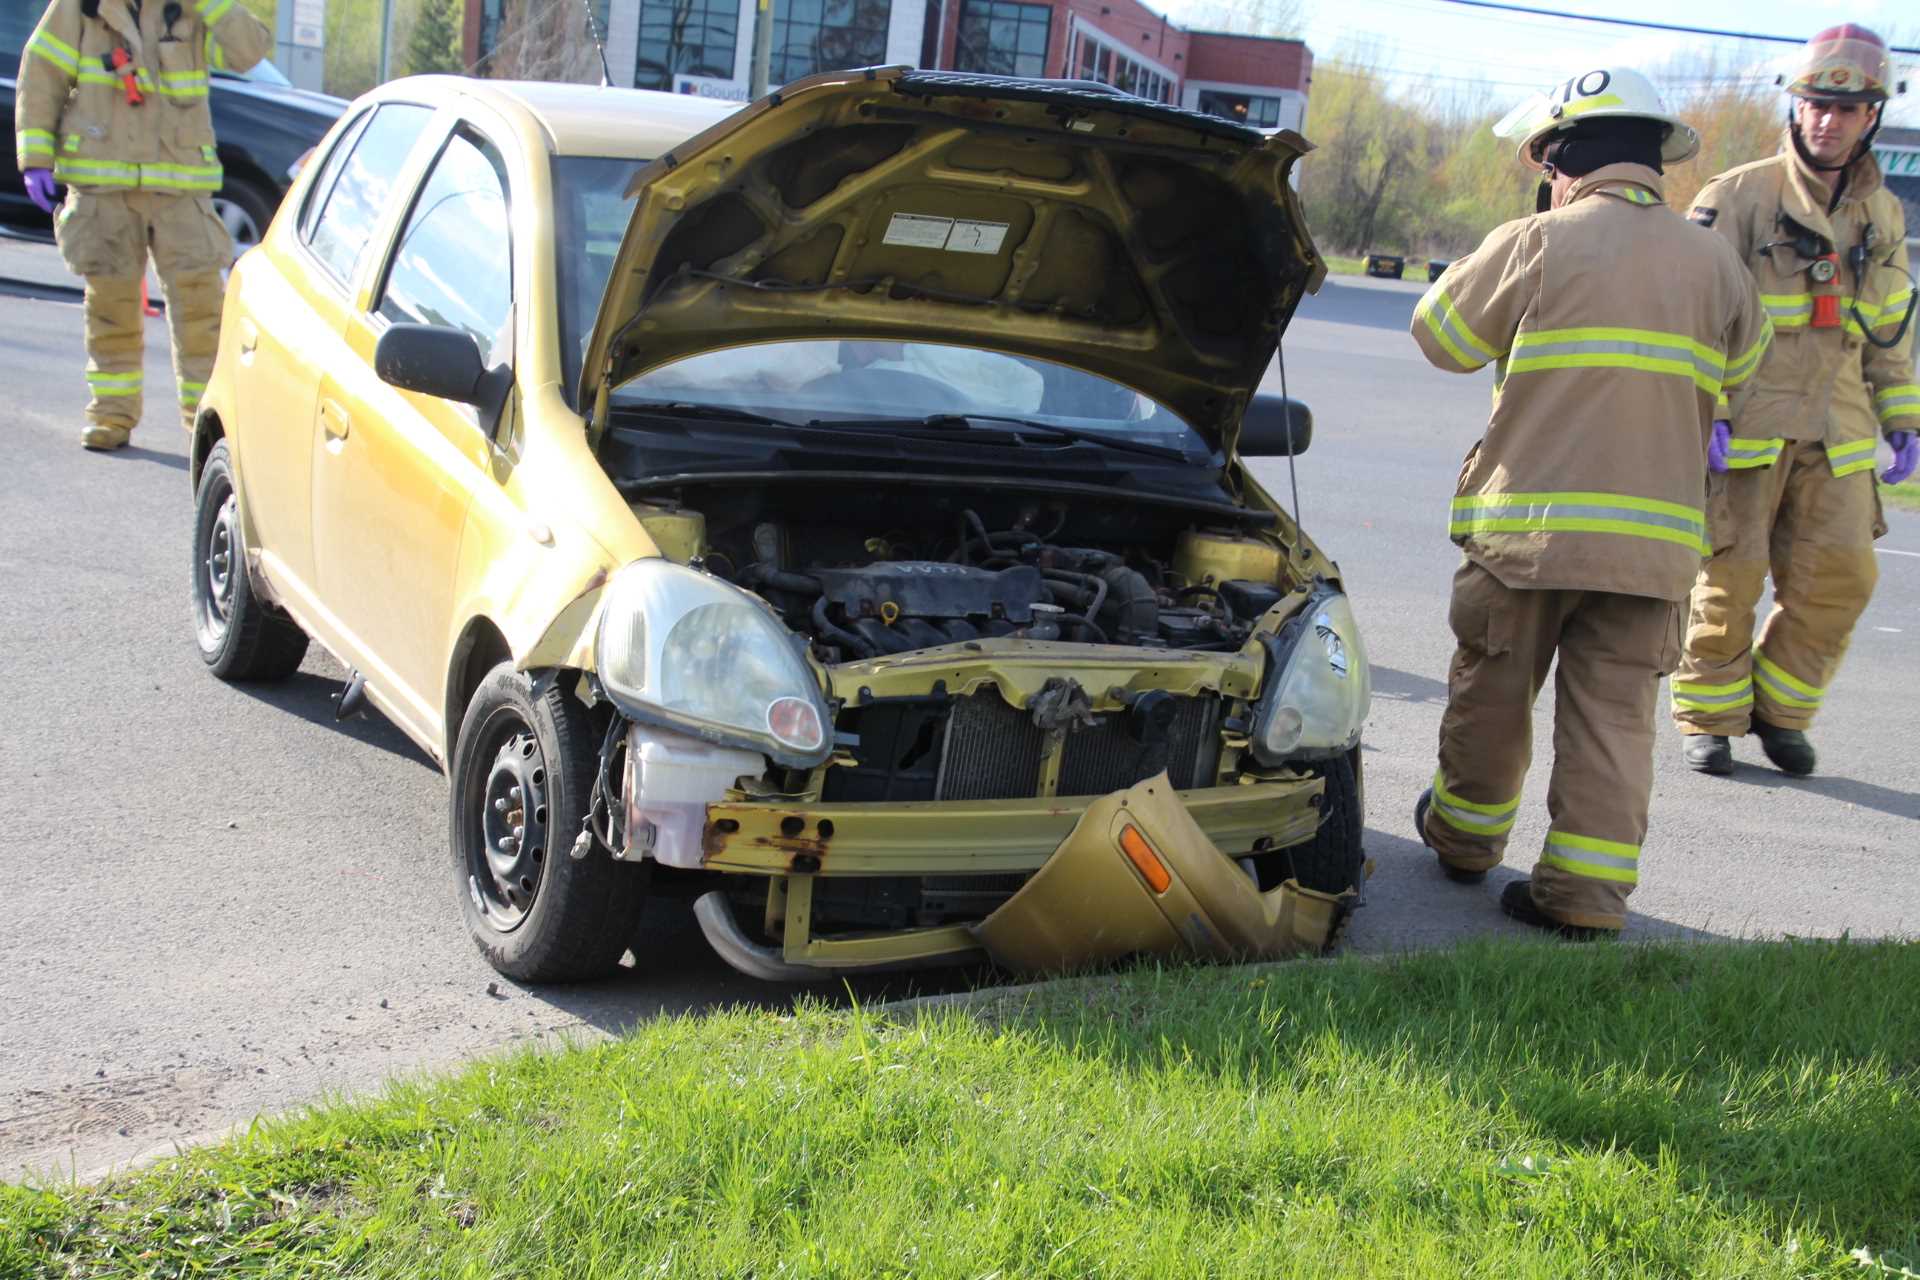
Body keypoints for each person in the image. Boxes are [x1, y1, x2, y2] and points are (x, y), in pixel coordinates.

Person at [1408, 68, 1772, 939]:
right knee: (1615, 720)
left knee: (1494, 693)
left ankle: (1464, 840)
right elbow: (1746, 369)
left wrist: (1493, 250)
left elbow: (1442, 337)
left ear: (1561, 161)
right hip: (1651, 554)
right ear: (1653, 163)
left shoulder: (1538, 239)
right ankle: (1583, 896)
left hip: (1526, 537)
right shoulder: (1716, 263)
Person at [1670, 24, 1916, 778]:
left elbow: (1888, 326)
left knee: (1841, 579)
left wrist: (1903, 416)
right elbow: (1692, 312)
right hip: (1747, 425)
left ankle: (1780, 712)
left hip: (1836, 428)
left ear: (1872, 115)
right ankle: (1710, 716)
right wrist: (1704, 408)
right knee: (1728, 577)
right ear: (1796, 107)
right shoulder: (1737, 197)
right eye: (1816, 104)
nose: (1828, 121)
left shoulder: (1882, 216)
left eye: (1847, 109)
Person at [13, 0, 271, 452]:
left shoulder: (192, 9)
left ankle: (204, 424)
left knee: (201, 311)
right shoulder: (81, 7)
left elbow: (248, 52)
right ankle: (110, 414)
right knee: (109, 306)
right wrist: (34, 158)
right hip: (102, 186)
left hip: (180, 188)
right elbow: (42, 74)